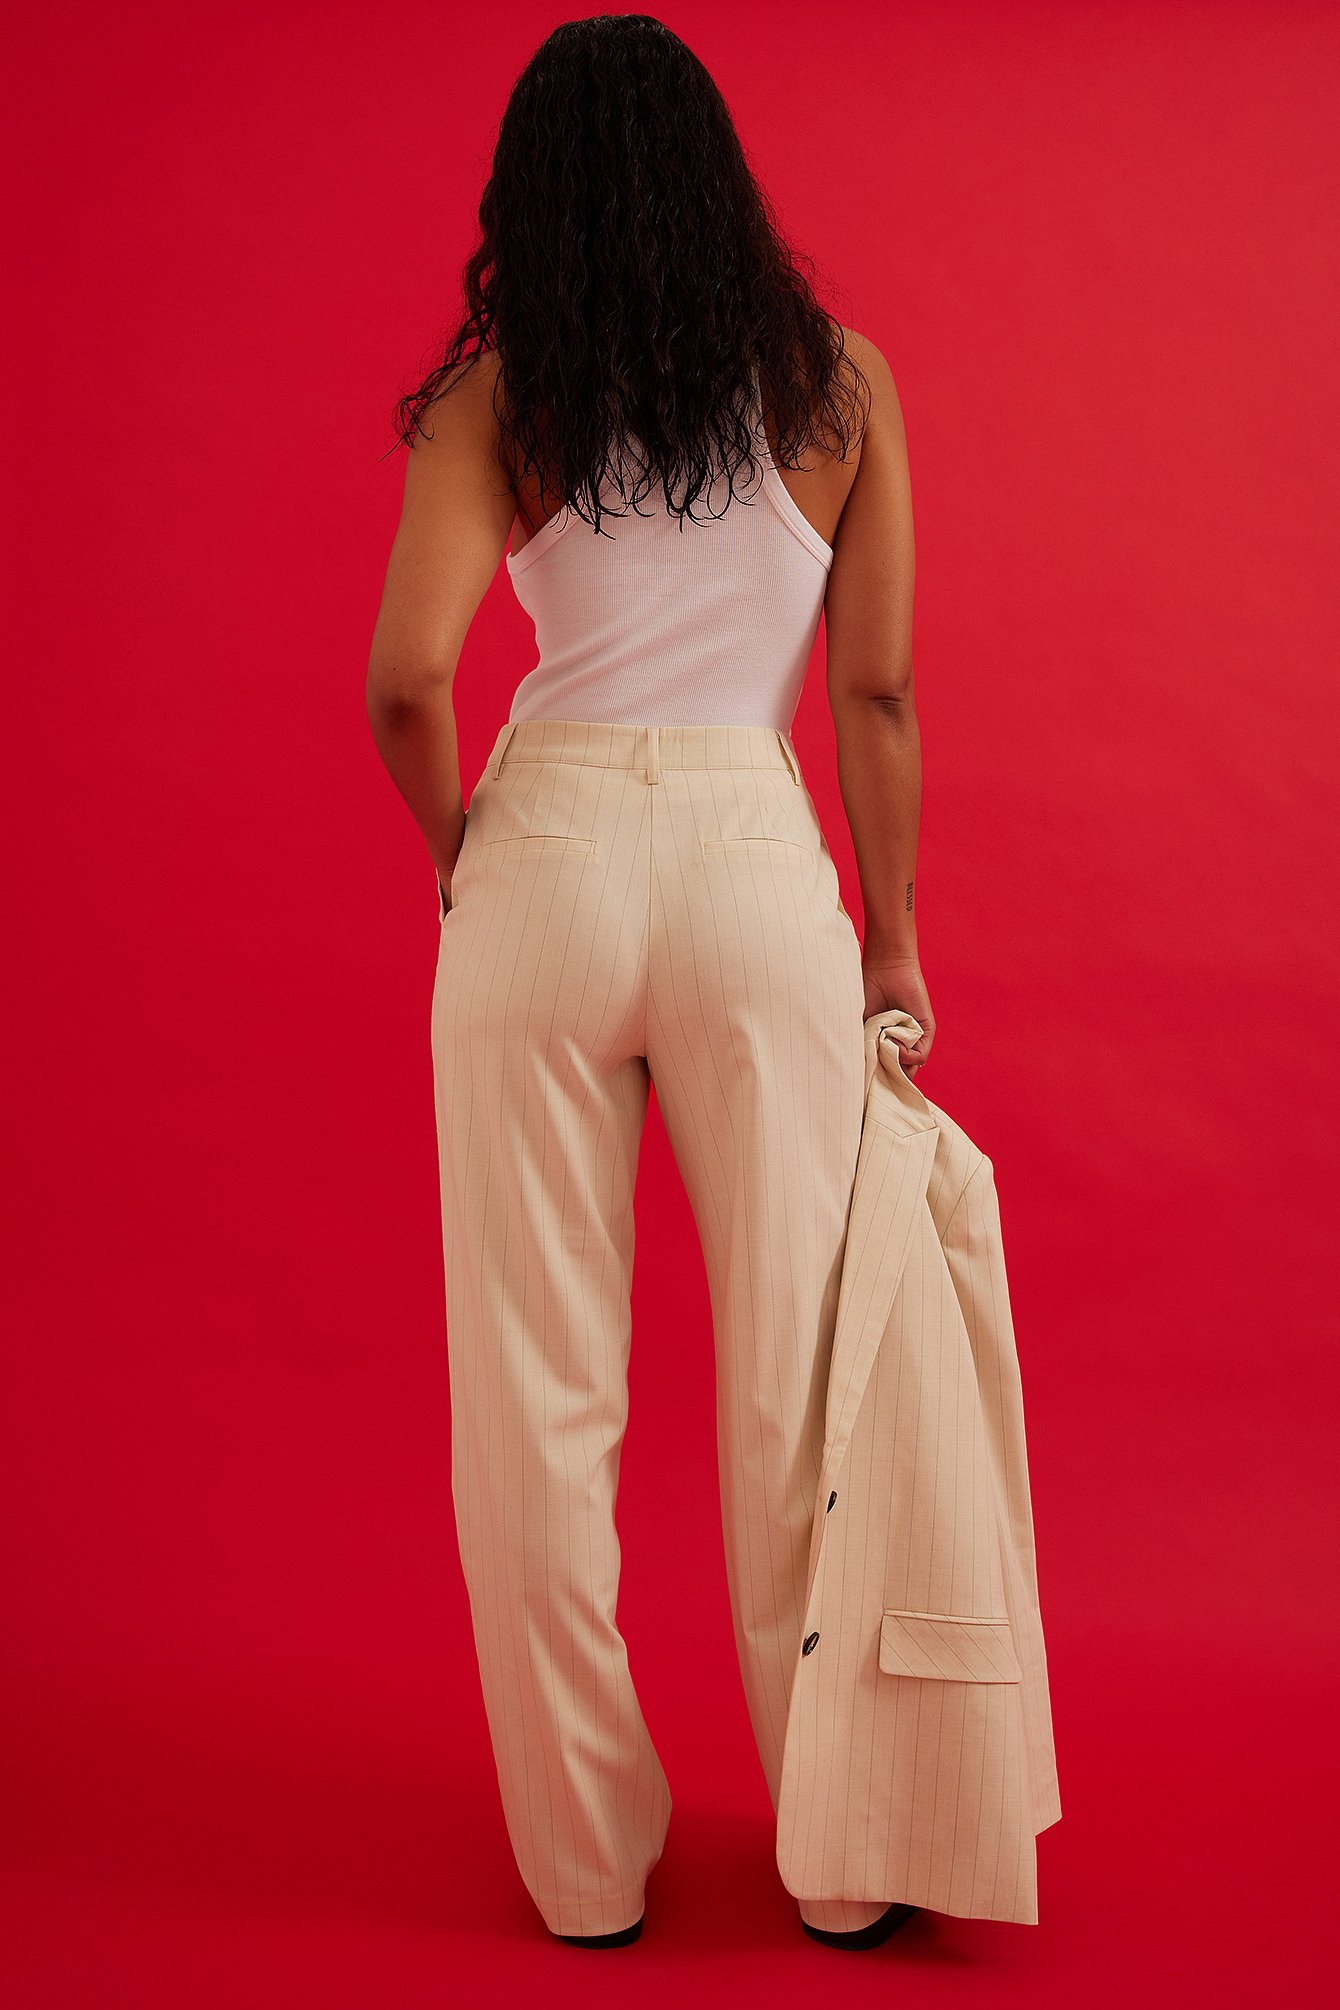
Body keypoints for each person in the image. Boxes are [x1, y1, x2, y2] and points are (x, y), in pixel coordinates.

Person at [366, 12, 927, 1951]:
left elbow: (408, 680)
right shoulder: (836, 382)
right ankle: (841, 1864)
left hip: (544, 860)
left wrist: (463, 854)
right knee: (796, 1387)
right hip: (756, 867)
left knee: (534, 1398)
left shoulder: (498, 397)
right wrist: (891, 936)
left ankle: (585, 1869)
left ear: (533, 197)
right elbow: (874, 692)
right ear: (716, 179)